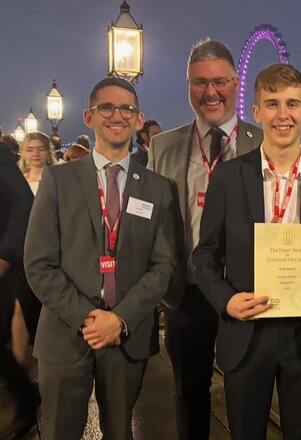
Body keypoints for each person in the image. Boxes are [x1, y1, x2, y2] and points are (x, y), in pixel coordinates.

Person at [193, 63, 301, 440]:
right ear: (256, 111)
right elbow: (205, 256)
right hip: (247, 333)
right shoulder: (229, 178)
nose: (284, 115)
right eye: (273, 104)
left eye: (293, 104)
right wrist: (227, 303)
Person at [24, 77, 179, 439]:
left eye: (127, 108)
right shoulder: (58, 181)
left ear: (139, 120)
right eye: (106, 107)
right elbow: (38, 263)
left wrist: (120, 319)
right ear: (89, 116)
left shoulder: (158, 188)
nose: (117, 116)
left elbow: (164, 265)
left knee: (120, 432)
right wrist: (87, 317)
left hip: (127, 337)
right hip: (65, 335)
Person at [147, 38, 263, 440]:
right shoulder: (162, 147)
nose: (210, 92)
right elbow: (151, 223)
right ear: (188, 87)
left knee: (246, 396)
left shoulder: (264, 143)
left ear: (236, 83)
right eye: (199, 83)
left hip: (245, 291)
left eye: (219, 82)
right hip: (188, 293)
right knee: (188, 393)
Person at [0, 140, 36, 438]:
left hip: (7, 265)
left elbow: (23, 208)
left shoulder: (3, 162)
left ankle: (24, 396)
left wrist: (4, 255)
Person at [18, 131, 58, 195]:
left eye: (41, 149)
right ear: (23, 153)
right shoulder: (18, 180)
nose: (35, 153)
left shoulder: (58, 180)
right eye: (29, 150)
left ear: (48, 152)